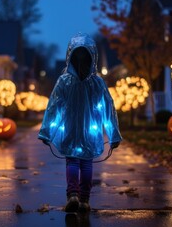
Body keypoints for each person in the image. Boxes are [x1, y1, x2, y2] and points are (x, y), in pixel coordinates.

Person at [38, 33, 122, 213]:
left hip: (70, 130)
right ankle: (84, 199)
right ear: (93, 58)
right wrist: (113, 135)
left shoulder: (64, 81)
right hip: (91, 133)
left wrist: (46, 131)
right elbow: (108, 108)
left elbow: (53, 106)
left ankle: (72, 195)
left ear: (70, 57)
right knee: (86, 163)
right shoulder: (97, 83)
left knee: (72, 162)